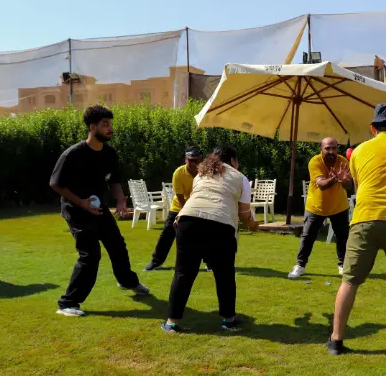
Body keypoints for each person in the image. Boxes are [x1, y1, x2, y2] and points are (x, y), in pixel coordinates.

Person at [326, 103, 386, 355]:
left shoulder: (358, 152)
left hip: (365, 217)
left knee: (349, 280)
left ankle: (336, 340)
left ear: (372, 127)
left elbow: (358, 185)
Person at [50, 105, 150, 317]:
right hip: (76, 209)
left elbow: (114, 180)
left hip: (99, 208)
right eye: (105, 124)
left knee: (117, 245)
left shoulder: (109, 153)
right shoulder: (73, 154)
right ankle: (68, 303)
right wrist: (81, 202)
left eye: (110, 124)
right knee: (90, 254)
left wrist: (120, 201)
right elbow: (55, 184)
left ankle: (127, 281)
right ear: (92, 127)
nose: (110, 128)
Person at [161, 145, 259, 333]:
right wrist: (252, 224)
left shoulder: (201, 174)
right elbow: (244, 212)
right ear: (233, 161)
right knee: (224, 274)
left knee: (183, 273)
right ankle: (228, 320)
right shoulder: (240, 178)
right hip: (220, 225)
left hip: (187, 222)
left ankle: (172, 322)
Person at [288, 137, 353, 279]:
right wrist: (335, 178)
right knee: (307, 237)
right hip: (316, 207)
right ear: (321, 149)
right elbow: (322, 185)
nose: (331, 151)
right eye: (327, 148)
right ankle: (300, 266)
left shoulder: (343, 161)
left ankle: (343, 265)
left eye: (334, 148)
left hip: (339, 206)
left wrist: (345, 180)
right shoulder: (315, 162)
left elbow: (348, 184)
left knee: (343, 237)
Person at [145, 147, 203, 271]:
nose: (194, 164)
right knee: (168, 231)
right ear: (185, 160)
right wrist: (187, 214)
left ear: (201, 160)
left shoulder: (205, 173)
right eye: (191, 160)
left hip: (199, 207)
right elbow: (181, 198)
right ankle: (156, 261)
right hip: (179, 206)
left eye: (197, 161)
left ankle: (210, 262)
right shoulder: (178, 173)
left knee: (205, 233)